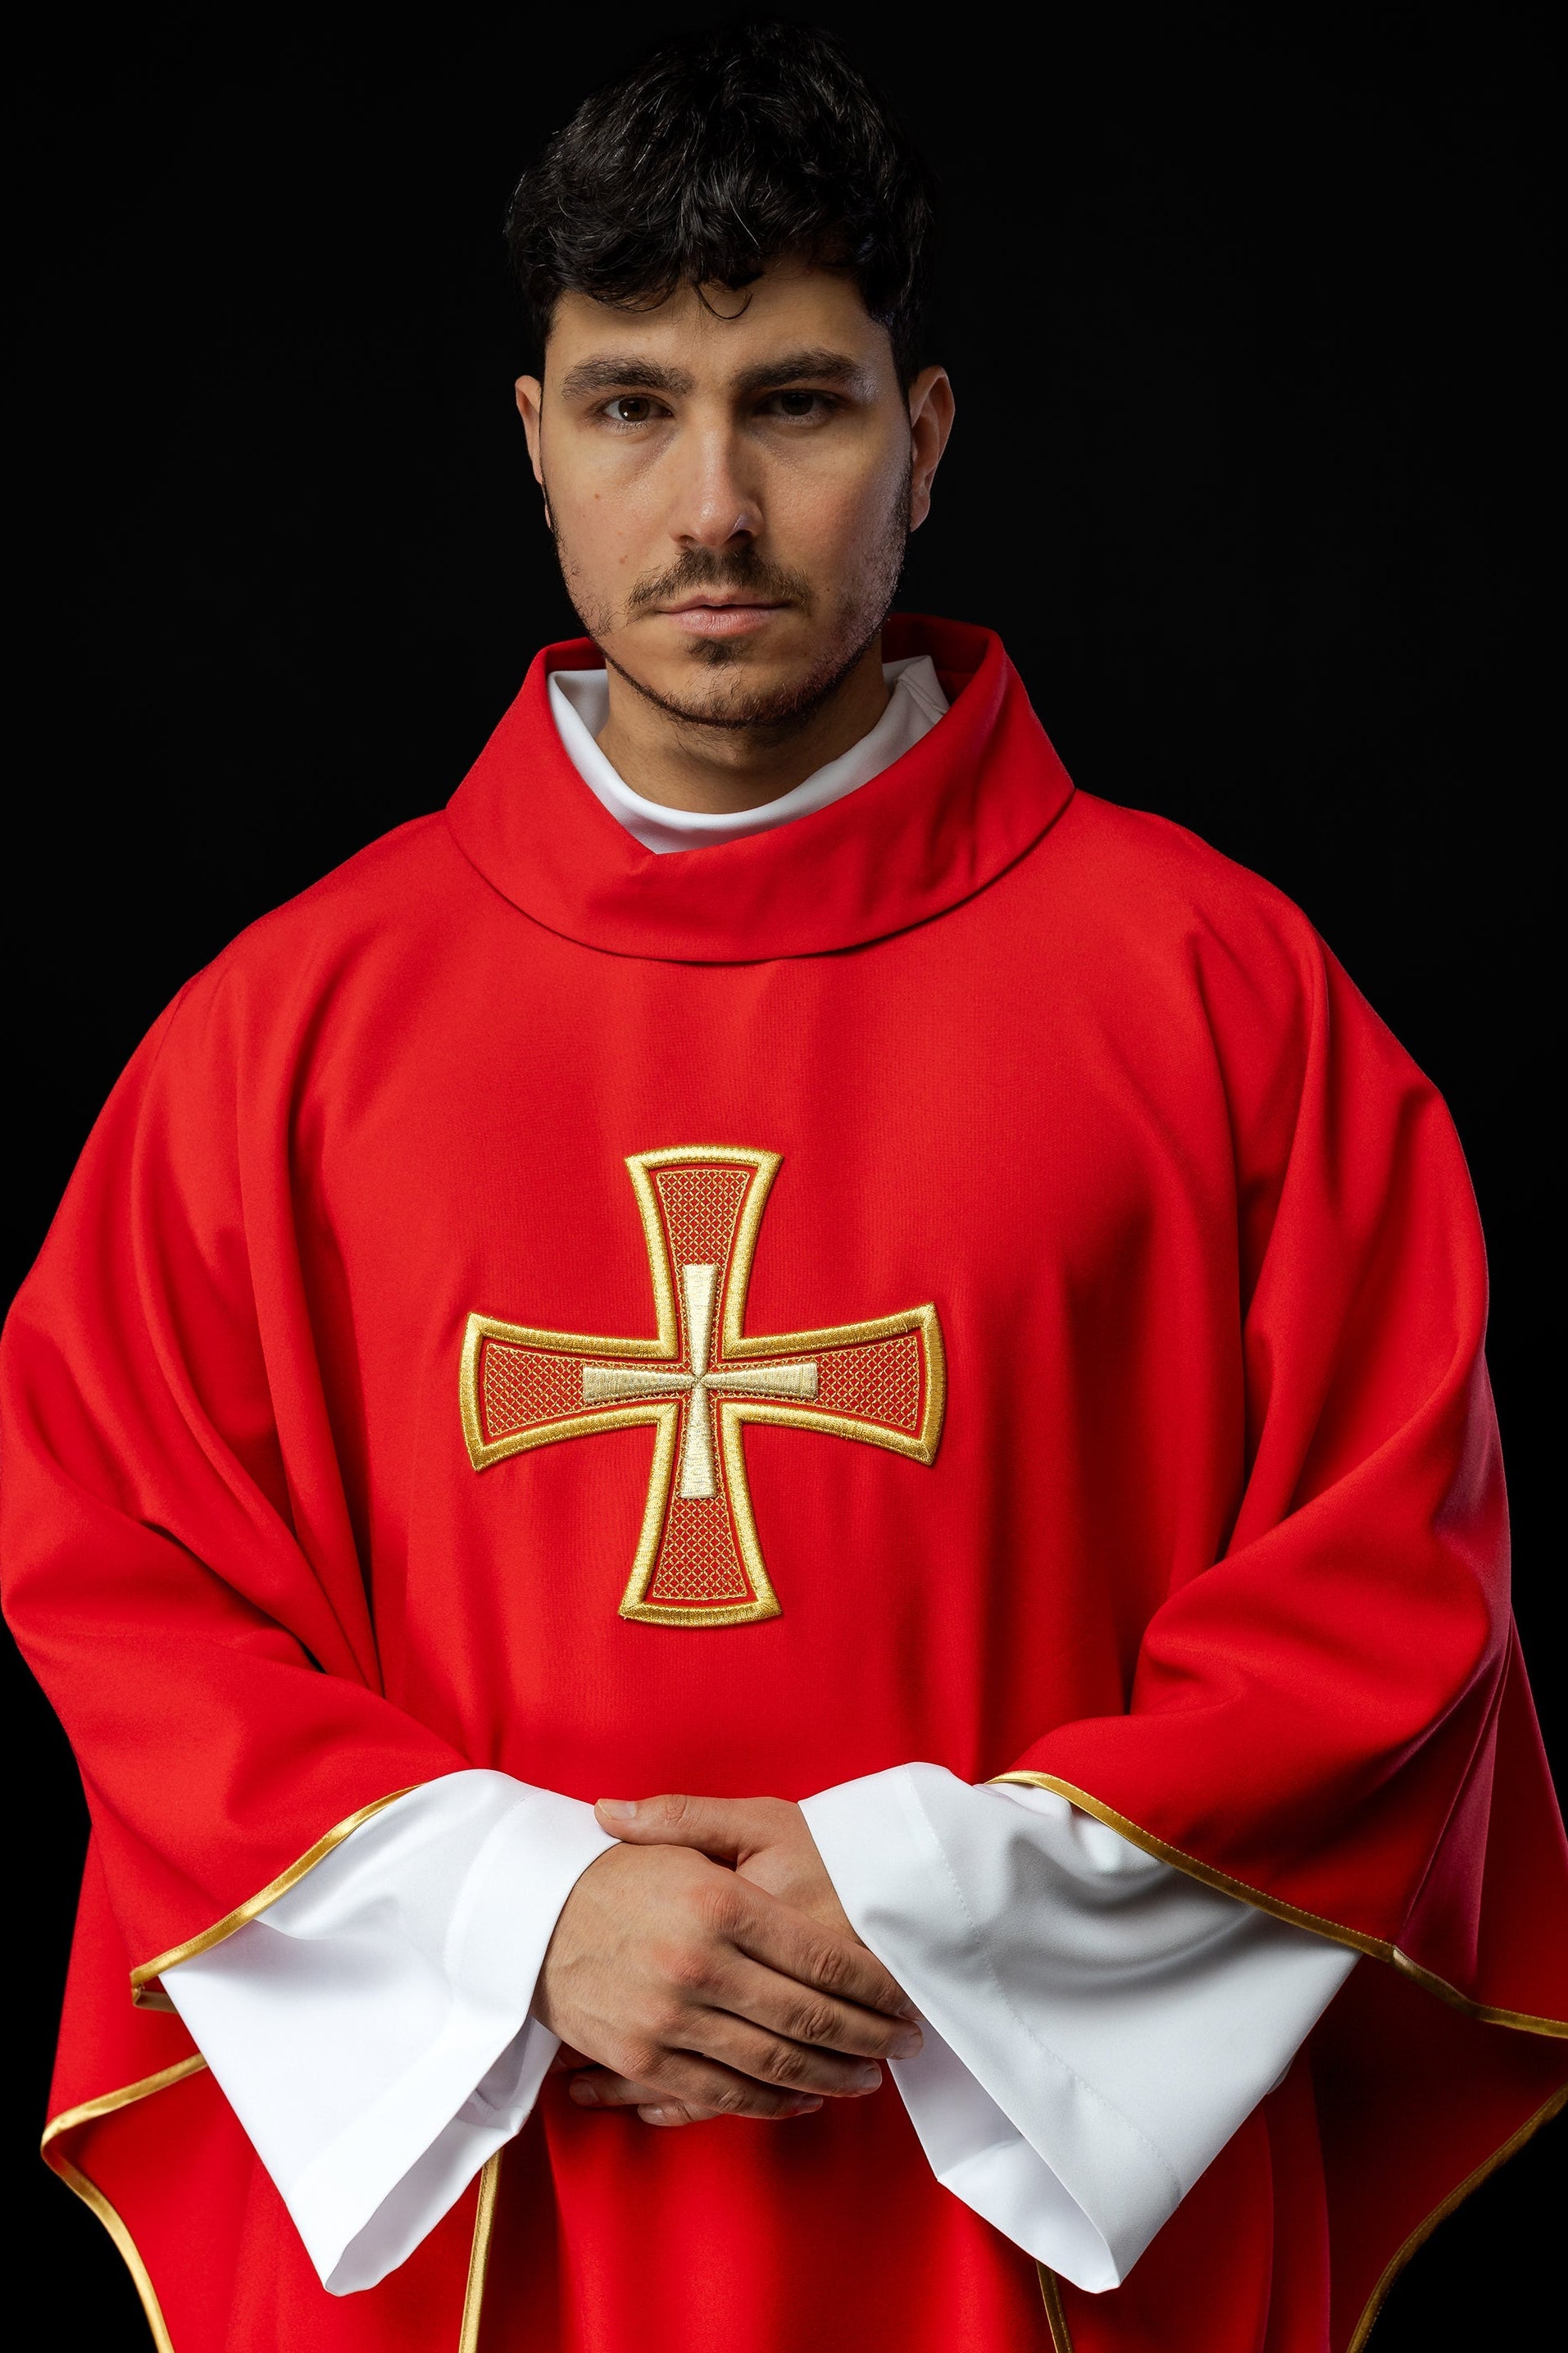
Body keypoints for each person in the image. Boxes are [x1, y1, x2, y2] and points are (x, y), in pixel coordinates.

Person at [4, 21, 1563, 2353]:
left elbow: (1381, 1607)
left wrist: (921, 1909)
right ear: (532, 443)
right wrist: (523, 1920)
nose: (709, 505)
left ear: (922, 440)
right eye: (633, 404)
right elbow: (124, 1590)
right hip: (482, 2217)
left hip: (1011, 2224)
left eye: (796, 404)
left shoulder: (1220, 996)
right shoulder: (280, 1038)